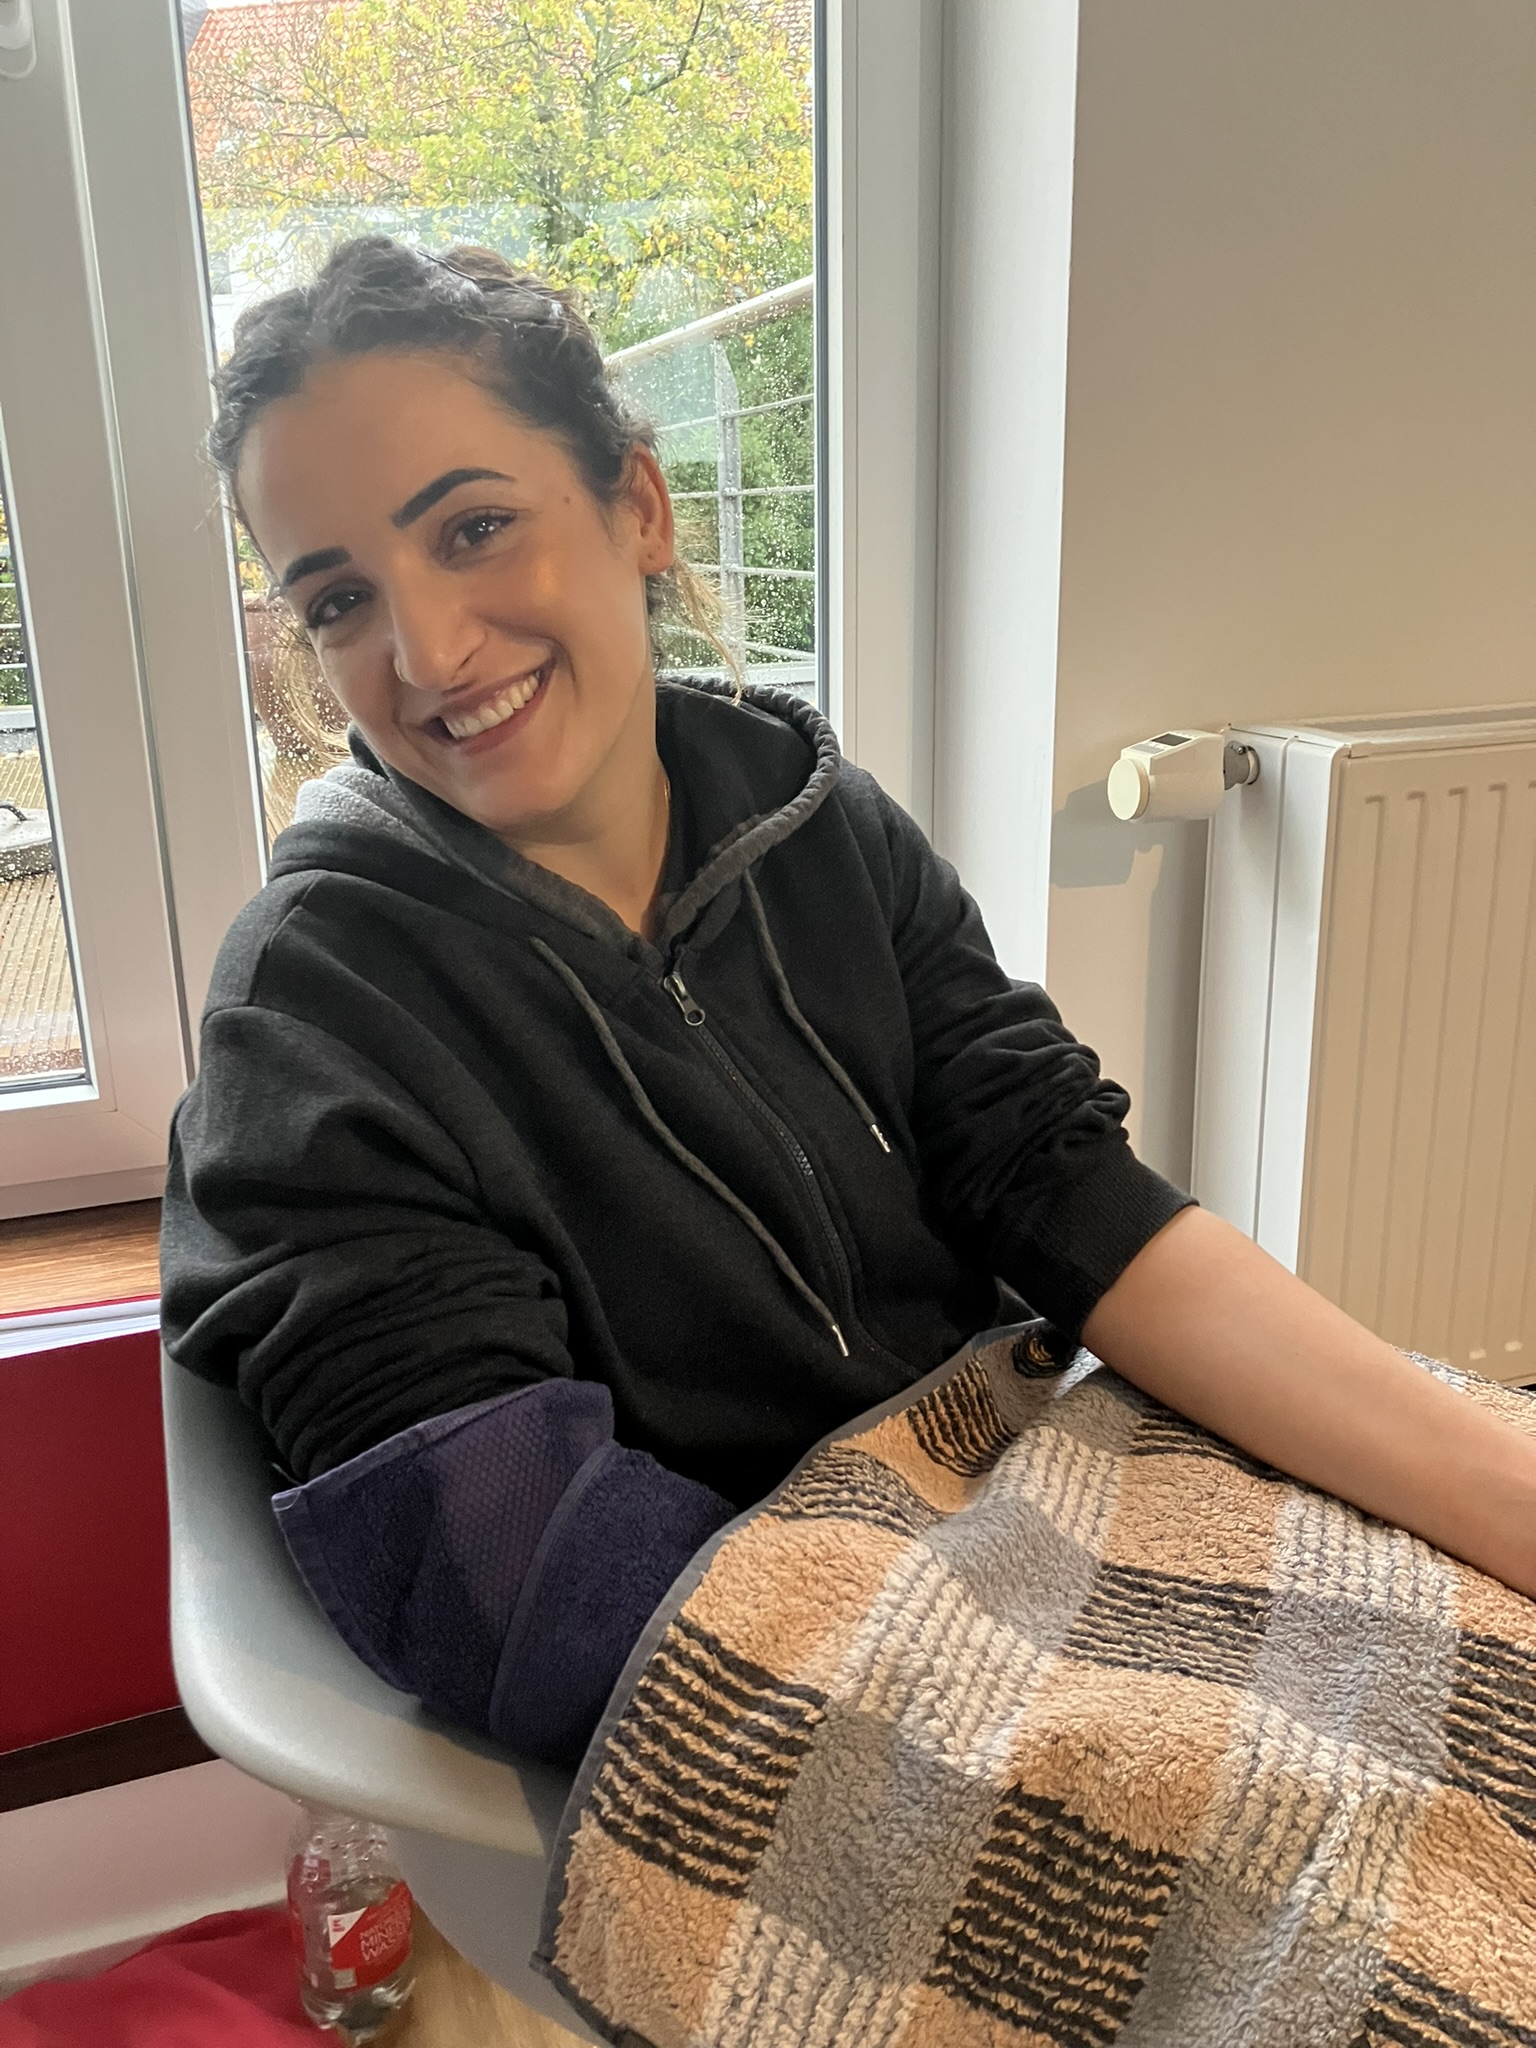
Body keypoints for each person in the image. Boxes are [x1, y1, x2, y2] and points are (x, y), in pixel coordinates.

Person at [161, 237, 1536, 1764]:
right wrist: (1099, 1707)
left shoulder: (821, 826)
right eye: (339, 601)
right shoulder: (314, 1020)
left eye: (474, 528)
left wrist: (1499, 1497)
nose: (424, 651)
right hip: (762, 1666)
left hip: (1023, 1493)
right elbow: (517, 1580)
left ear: (639, 506)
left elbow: (1069, 1193)